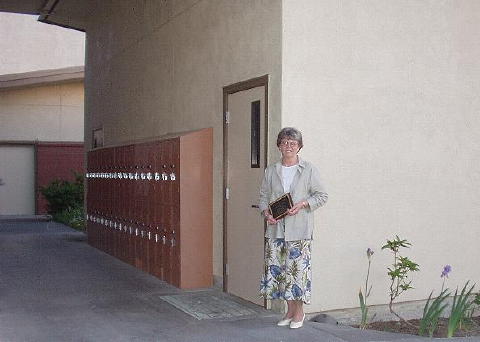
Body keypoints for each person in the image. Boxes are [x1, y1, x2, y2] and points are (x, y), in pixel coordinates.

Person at [259, 127, 328, 329]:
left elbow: (321, 195)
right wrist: (266, 214)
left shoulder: (308, 169)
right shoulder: (271, 170)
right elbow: (263, 196)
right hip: (276, 230)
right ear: (279, 145)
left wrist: (303, 204)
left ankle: (299, 313)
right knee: (280, 273)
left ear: (299, 147)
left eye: (293, 143)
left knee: (297, 274)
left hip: (299, 231)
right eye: (285, 142)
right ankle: (289, 311)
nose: (288, 146)